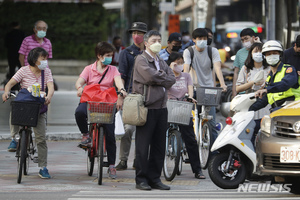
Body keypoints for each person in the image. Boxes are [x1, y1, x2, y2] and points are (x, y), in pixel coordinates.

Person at [75, 42, 127, 179]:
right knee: (79, 112)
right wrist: (80, 88)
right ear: (99, 56)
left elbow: (118, 82)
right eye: (108, 55)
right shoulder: (88, 69)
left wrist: (121, 90)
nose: (110, 58)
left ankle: (111, 165)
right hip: (90, 101)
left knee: (110, 134)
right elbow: (79, 82)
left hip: (107, 103)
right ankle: (86, 135)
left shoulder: (113, 69)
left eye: (112, 55)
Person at [133, 30, 176, 190]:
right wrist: (161, 78)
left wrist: (160, 78)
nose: (157, 43)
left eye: (159, 40)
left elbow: (172, 78)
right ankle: (141, 179)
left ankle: (155, 178)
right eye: (153, 40)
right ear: (146, 43)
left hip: (162, 107)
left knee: (159, 145)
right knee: (143, 146)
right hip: (146, 107)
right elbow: (150, 77)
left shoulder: (160, 60)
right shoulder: (141, 59)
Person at [2, 47, 54, 179]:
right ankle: (15, 138)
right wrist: (6, 91)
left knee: (41, 139)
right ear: (35, 60)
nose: (45, 61)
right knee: (14, 110)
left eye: (46, 59)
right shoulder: (23, 70)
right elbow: (10, 83)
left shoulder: (46, 72)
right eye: (43, 59)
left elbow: (50, 86)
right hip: (24, 105)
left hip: (38, 106)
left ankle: (43, 167)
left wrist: (49, 96)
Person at [183, 28, 227, 142]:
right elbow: (186, 68)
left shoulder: (213, 51)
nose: (202, 41)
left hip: (209, 89)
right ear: (194, 40)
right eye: (199, 39)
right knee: (191, 121)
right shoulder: (189, 51)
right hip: (193, 89)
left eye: (204, 39)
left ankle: (213, 152)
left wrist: (222, 84)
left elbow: (217, 68)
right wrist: (185, 85)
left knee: (211, 122)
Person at [166, 52, 205, 179]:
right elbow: (164, 86)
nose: (180, 65)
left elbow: (190, 89)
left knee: (190, 139)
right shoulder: (167, 75)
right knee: (159, 136)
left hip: (183, 107)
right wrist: (170, 71)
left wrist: (190, 97)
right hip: (169, 107)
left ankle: (197, 170)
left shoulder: (186, 76)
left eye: (181, 62)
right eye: (177, 62)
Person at [116, 22, 147, 171]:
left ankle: (138, 160)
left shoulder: (150, 53)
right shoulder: (126, 53)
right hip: (130, 96)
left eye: (139, 33)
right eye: (134, 33)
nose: (136, 36)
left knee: (145, 131)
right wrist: (121, 94)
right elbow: (122, 75)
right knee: (128, 129)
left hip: (148, 96)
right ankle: (123, 160)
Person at [249, 40, 300, 113]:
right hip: (277, 111)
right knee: (256, 124)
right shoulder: (269, 77)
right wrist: (247, 109)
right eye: (268, 54)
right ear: (265, 57)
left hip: (291, 108)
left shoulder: (289, 70)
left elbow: (285, 84)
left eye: (274, 53)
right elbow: (264, 100)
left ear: (280, 55)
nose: (271, 56)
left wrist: (267, 89)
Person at [236, 42, 271, 142]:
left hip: (266, 106)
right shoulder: (246, 69)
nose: (258, 54)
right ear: (251, 53)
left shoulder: (269, 69)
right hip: (250, 104)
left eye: (261, 52)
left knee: (264, 134)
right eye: (256, 51)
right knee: (249, 134)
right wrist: (252, 82)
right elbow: (238, 88)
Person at [232, 28, 260, 98]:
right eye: (242, 40)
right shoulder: (240, 53)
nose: (244, 41)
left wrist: (258, 44)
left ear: (253, 38)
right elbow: (236, 72)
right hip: (242, 91)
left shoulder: (261, 51)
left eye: (246, 39)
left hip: (258, 90)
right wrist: (234, 90)